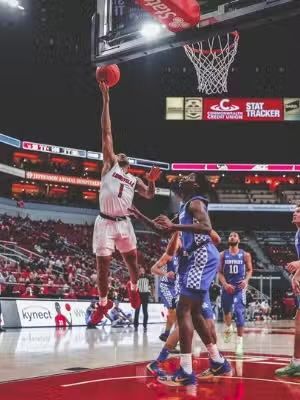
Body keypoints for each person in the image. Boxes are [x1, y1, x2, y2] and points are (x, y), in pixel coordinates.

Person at [132, 173, 232, 386]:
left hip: (201, 256)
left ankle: (186, 370)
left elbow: (206, 228)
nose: (182, 177)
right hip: (194, 259)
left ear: (194, 184)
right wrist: (139, 215)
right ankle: (218, 361)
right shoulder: (184, 207)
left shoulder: (196, 202)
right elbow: (162, 230)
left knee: (183, 310)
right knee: (194, 313)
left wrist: (174, 227)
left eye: (187, 176)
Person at [91, 82, 161, 325]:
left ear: (128, 164)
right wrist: (106, 101)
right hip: (105, 222)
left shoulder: (134, 179)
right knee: (103, 266)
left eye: (122, 155)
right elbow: (106, 132)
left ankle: (133, 287)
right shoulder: (110, 165)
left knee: (134, 262)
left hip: (125, 223)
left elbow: (150, 195)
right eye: (117, 153)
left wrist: (151, 183)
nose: (119, 153)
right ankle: (103, 303)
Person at [218, 232, 253, 355]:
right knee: (227, 311)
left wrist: (246, 280)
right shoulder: (222, 254)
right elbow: (219, 272)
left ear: (238, 239)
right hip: (227, 287)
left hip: (239, 288)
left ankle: (239, 342)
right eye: (230, 236)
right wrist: (225, 284)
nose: (231, 237)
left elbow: (250, 270)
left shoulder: (245, 255)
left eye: (234, 236)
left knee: (239, 312)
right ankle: (228, 327)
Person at [275, 205, 300, 376]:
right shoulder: (298, 233)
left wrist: (298, 266)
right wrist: (295, 276)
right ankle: (297, 361)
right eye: (295, 211)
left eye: (299, 211)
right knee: (299, 321)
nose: (295, 213)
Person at [151, 232, 179, 341]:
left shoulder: (184, 255)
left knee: (178, 313)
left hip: (176, 287)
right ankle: (169, 336)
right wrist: (166, 274)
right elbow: (153, 269)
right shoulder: (168, 255)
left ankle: (167, 335)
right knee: (174, 310)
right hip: (166, 286)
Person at [134, 267, 152, 332]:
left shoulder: (147, 277)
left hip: (145, 295)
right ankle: (136, 326)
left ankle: (145, 326)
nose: (141, 271)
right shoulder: (136, 277)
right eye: (140, 270)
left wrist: (150, 294)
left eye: (142, 270)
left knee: (145, 311)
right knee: (137, 311)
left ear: (144, 270)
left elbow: (150, 285)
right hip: (138, 295)